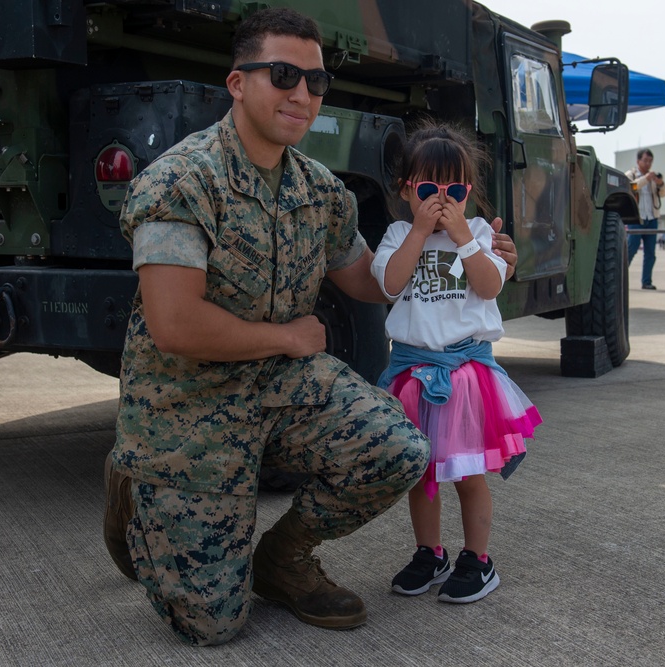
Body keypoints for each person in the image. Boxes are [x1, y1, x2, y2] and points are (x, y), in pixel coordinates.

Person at [101, 8, 519, 645]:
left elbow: (374, 282)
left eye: (316, 82)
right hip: (189, 402)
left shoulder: (319, 190)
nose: (302, 93)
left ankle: (282, 558)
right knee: (212, 624)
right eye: (282, 75)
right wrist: (288, 338)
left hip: (284, 386)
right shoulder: (181, 182)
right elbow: (175, 325)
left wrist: (472, 256)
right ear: (238, 83)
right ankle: (139, 475)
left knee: (402, 450)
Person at [371, 123, 542, 604]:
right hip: (411, 375)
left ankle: (478, 559)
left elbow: (489, 287)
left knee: (468, 474)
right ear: (407, 190)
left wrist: (465, 235)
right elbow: (389, 284)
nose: (440, 202)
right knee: (419, 473)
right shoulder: (400, 234)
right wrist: (422, 231)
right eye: (428, 190)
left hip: (465, 376)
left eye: (454, 191)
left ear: (469, 192)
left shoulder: (483, 233)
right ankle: (429, 552)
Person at [624, 148, 665, 289]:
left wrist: (659, 183)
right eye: (645, 160)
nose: (648, 164)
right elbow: (631, 187)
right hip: (636, 218)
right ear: (638, 161)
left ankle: (646, 281)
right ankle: (621, 278)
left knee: (650, 253)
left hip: (651, 217)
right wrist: (646, 179)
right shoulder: (631, 174)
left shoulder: (653, 178)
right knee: (631, 249)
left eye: (650, 161)